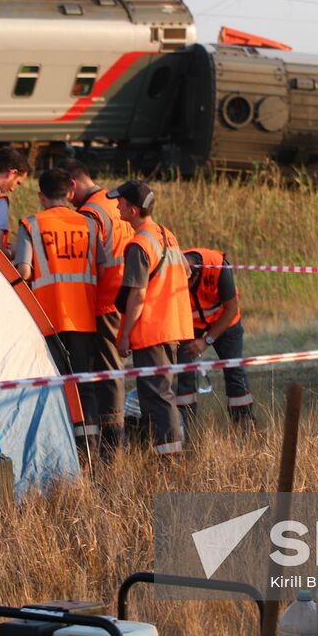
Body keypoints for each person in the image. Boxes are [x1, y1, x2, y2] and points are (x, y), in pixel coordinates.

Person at [14, 168, 99, 442]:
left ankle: (63, 446)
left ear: (41, 196)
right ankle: (90, 451)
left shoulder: (31, 225)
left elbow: (24, 271)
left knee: (56, 387)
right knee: (84, 388)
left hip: (47, 319)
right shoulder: (89, 225)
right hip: (85, 317)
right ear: (70, 192)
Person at [110, 180, 192, 457]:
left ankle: (169, 461)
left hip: (152, 332)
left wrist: (123, 336)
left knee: (157, 399)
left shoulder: (138, 245)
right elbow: (186, 273)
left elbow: (138, 296)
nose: (117, 205)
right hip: (173, 327)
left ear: (133, 210)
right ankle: (169, 454)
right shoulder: (167, 235)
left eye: (120, 202)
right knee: (163, 396)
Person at [61, 158, 133, 451]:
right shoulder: (113, 202)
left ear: (73, 185)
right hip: (125, 296)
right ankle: (114, 435)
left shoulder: (90, 214)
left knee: (109, 373)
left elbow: (88, 260)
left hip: (105, 301)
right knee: (114, 370)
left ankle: (113, 441)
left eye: (68, 193)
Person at [176, 247, 254, 429]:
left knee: (234, 370)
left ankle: (244, 426)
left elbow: (231, 308)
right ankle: (185, 429)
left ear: (194, 275)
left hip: (225, 320)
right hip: (190, 324)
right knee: (183, 372)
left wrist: (206, 341)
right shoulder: (174, 271)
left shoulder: (217, 266)